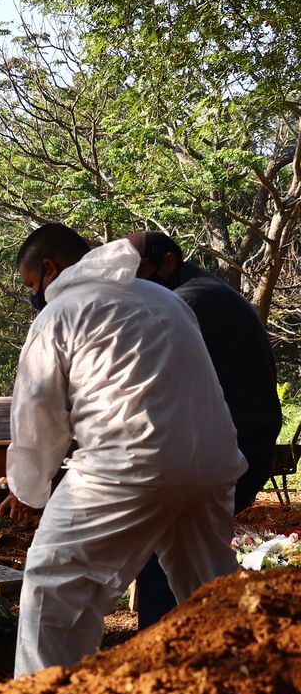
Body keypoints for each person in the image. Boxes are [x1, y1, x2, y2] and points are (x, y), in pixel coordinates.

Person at [0, 224, 243, 676]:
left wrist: (27, 489)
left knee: (54, 585)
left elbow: (38, 414)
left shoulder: (61, 313)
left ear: (50, 269)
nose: (34, 295)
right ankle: (243, 690)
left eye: (32, 285)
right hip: (212, 463)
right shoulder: (163, 297)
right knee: (212, 592)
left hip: (128, 465)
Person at [125, 231, 281, 629]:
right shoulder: (200, 293)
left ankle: (170, 658)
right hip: (233, 445)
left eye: (135, 270)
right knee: (185, 558)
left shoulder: (186, 303)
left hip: (229, 451)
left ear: (169, 262)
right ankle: (202, 648)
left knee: (166, 553)